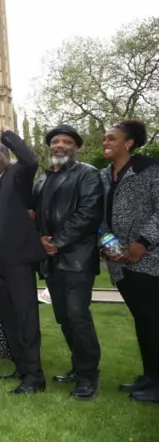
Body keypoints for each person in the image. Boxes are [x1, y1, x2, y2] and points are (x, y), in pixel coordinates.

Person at [32, 124, 104, 400]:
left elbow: (88, 213)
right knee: (64, 317)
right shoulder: (43, 179)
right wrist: (40, 238)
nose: (60, 145)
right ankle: (78, 366)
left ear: (76, 147)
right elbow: (35, 214)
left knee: (78, 315)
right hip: (53, 261)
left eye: (66, 142)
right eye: (55, 141)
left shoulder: (88, 174)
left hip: (77, 259)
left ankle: (89, 377)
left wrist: (57, 241)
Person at [0, 127, 47, 395]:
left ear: (6, 155)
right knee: (8, 316)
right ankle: (22, 367)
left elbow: (31, 160)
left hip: (17, 256)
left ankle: (35, 376)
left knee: (25, 315)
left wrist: (7, 135)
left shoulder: (17, 175)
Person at [100, 120, 159, 405]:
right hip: (119, 262)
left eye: (112, 138)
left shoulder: (150, 170)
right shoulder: (103, 176)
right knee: (143, 321)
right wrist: (106, 244)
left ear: (129, 142)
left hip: (149, 259)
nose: (105, 143)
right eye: (104, 139)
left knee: (153, 320)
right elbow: (99, 218)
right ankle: (150, 375)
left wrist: (143, 243)